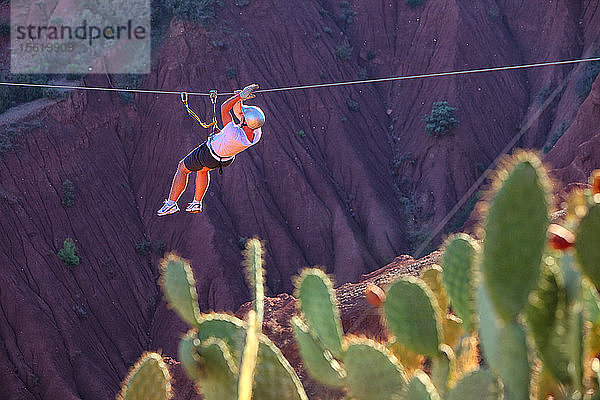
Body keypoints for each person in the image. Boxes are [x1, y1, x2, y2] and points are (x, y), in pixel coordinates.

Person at [157, 84, 265, 216]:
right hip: (225, 160)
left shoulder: (233, 133)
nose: (241, 115)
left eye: (243, 117)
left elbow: (224, 109)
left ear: (246, 122)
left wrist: (238, 97)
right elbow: (239, 113)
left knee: (183, 168)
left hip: (208, 154)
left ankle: (171, 204)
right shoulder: (256, 134)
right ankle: (197, 202)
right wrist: (239, 99)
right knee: (203, 171)